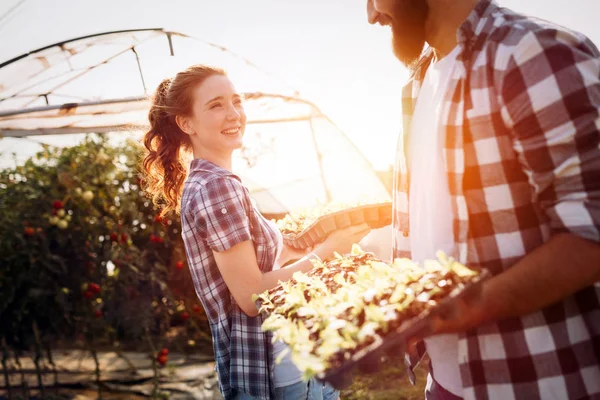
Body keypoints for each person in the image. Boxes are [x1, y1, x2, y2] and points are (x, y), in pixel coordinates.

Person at [366, 0, 600, 399]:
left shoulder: (533, 53)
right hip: (443, 383)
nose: (371, 14)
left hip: (540, 383)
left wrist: (451, 312)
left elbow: (590, 236)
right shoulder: (418, 81)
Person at [140, 64, 368, 399]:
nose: (233, 114)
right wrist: (327, 253)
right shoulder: (216, 187)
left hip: (281, 361)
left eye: (236, 101)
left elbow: (261, 264)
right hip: (275, 366)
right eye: (216, 105)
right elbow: (250, 295)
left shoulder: (212, 181)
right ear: (186, 123)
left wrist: (309, 242)